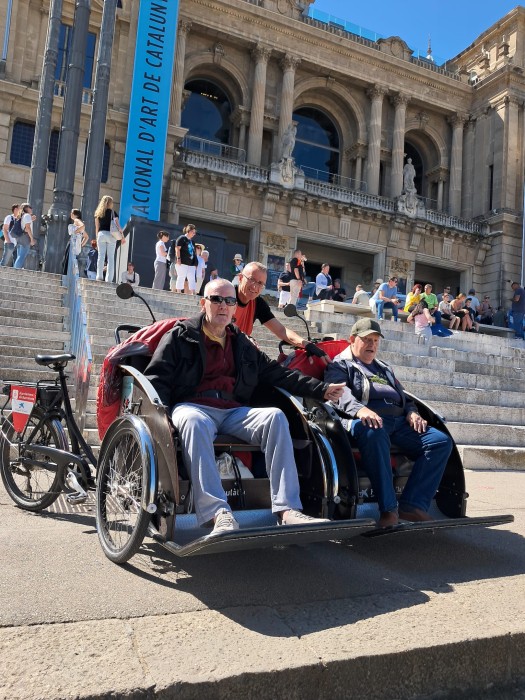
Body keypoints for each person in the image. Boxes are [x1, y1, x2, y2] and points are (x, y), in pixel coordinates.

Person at [144, 278, 345, 536]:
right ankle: (218, 514)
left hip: (232, 410)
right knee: (194, 422)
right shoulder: (180, 335)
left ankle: (287, 510)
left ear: (234, 308)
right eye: (216, 299)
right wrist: (162, 414)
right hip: (193, 406)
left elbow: (277, 374)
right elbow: (157, 377)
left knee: (275, 417)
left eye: (229, 301)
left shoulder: (242, 343)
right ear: (203, 303)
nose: (223, 305)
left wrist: (321, 389)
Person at [324, 318, 452, 528]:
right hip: (363, 421)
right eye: (367, 339)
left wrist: (412, 412)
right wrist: (360, 410)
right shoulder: (340, 365)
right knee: (374, 430)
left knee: (440, 442)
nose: (372, 345)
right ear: (352, 340)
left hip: (398, 422)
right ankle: (389, 510)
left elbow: (404, 396)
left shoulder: (384, 368)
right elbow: (339, 393)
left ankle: (412, 506)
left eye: (376, 340)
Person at [232, 261, 328, 361]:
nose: (255, 286)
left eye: (260, 283)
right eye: (251, 279)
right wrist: (245, 338)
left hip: (239, 354)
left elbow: (281, 330)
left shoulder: (258, 303)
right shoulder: (227, 296)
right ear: (240, 278)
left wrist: (306, 344)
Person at [94, 195, 125, 283]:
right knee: (111, 258)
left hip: (101, 234)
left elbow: (97, 228)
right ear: (110, 203)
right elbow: (118, 227)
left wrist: (97, 238)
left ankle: (99, 276)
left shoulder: (98, 214)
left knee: (101, 256)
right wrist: (122, 237)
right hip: (111, 235)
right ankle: (109, 279)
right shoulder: (113, 213)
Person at [174, 224, 198, 294]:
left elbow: (194, 253)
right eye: (193, 232)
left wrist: (195, 263)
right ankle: (178, 291)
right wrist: (178, 258)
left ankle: (192, 292)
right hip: (183, 262)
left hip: (191, 263)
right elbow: (177, 249)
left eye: (195, 233)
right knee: (181, 276)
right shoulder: (182, 238)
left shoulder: (192, 242)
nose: (194, 234)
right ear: (189, 231)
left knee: (192, 278)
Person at [13, 203, 36, 270]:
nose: (31, 208)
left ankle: (16, 270)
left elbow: (23, 227)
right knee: (22, 256)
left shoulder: (21, 216)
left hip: (20, 237)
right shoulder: (27, 215)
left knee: (19, 256)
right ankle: (16, 271)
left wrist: (31, 220)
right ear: (26, 208)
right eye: (30, 207)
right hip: (25, 237)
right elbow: (27, 228)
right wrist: (32, 239)